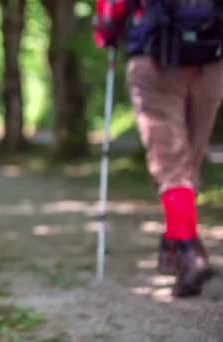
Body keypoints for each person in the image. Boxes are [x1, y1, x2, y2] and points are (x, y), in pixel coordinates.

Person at [93, 0, 223, 297]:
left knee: (172, 166)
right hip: (211, 59)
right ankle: (173, 248)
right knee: (188, 161)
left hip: (155, 59)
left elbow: (111, 9)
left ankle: (188, 252)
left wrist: (106, 33)